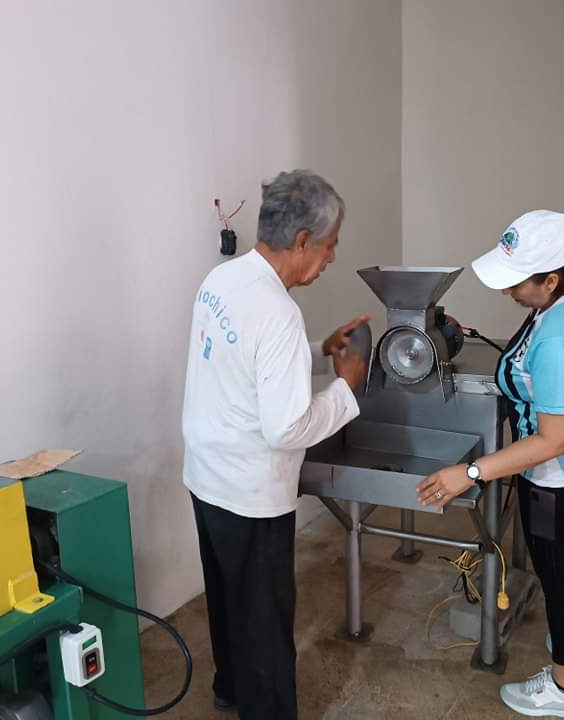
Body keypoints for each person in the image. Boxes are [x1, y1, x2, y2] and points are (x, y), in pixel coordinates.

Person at [417, 210, 564, 719]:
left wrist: (469, 472)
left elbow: (553, 440)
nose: (508, 291)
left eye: (516, 282)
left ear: (550, 278)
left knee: (560, 577)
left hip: (562, 476)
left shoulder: (557, 340)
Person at [181, 170, 368, 720]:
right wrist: (346, 388)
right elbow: (287, 428)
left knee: (226, 597)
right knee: (264, 622)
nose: (332, 258)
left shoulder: (223, 279)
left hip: (206, 476)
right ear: (303, 240)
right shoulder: (279, 311)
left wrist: (320, 349)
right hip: (250, 493)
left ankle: (230, 688)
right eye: (330, 245)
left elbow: (251, 359)